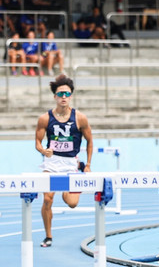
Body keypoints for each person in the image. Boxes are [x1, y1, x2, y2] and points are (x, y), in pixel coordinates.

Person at [35, 74, 93, 248]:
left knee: (72, 204)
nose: (64, 97)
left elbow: (90, 141)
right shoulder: (45, 118)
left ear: (71, 96)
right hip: (51, 164)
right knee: (47, 199)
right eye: (60, 94)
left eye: (67, 94)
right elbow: (37, 142)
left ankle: (72, 181)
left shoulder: (80, 118)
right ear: (55, 97)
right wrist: (43, 150)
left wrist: (88, 165)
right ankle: (48, 236)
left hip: (70, 164)